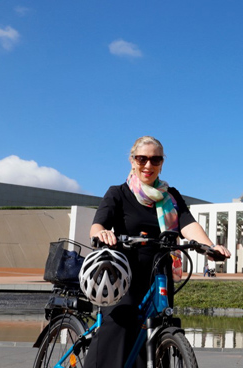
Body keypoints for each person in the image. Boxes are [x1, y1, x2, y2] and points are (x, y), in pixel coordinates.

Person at [84, 136, 230, 368]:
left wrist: (209, 247)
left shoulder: (170, 196)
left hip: (160, 273)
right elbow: (98, 224)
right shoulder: (118, 193)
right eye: (142, 159)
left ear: (162, 163)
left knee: (156, 329)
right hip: (124, 275)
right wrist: (102, 233)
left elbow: (187, 224)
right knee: (119, 325)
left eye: (155, 159)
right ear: (132, 161)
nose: (148, 165)